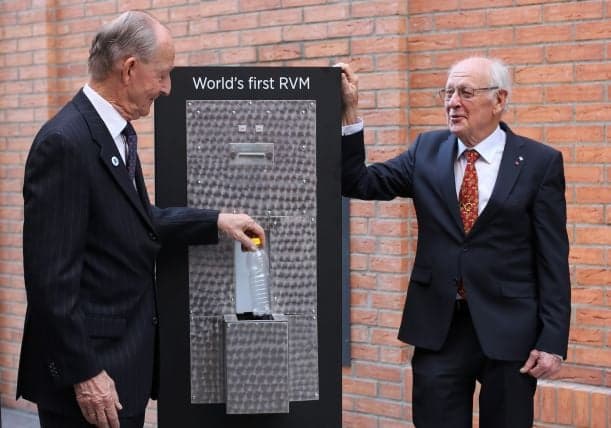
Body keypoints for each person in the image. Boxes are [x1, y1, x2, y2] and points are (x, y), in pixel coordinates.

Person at [17, 11, 264, 428]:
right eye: (163, 74)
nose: (167, 89)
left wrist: (216, 220)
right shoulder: (65, 143)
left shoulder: (112, 133)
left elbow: (129, 220)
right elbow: (49, 282)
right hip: (92, 381)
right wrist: (86, 374)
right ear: (129, 69)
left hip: (119, 369)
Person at [338, 57, 571, 427]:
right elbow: (357, 183)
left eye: (465, 92)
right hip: (439, 329)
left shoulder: (539, 162)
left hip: (511, 332)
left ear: (499, 100)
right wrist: (349, 112)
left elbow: (553, 258)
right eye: (447, 93)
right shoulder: (426, 151)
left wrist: (553, 340)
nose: (453, 102)